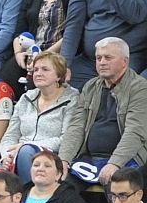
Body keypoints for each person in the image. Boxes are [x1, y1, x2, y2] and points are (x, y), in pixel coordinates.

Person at [59, 37, 147, 189]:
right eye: (98, 58)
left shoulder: (140, 88)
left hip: (127, 159)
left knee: (117, 187)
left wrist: (114, 163)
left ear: (125, 62)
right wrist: (64, 159)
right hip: (89, 160)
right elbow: (76, 127)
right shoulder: (90, 86)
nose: (102, 62)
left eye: (108, 58)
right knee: (60, 186)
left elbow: (135, 132)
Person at [0, 0, 74, 97]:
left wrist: (42, 56)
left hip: (56, 53)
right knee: (5, 80)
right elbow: (19, 30)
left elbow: (72, 33)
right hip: (30, 52)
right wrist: (19, 53)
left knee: (36, 84)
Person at [0, 51, 79, 182]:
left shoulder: (72, 99)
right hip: (17, 155)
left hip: (52, 158)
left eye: (45, 69)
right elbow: (10, 135)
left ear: (59, 75)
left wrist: (28, 146)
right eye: (36, 70)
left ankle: (31, 194)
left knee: (26, 152)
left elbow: (66, 138)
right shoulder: (26, 98)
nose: (38, 73)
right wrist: (6, 157)